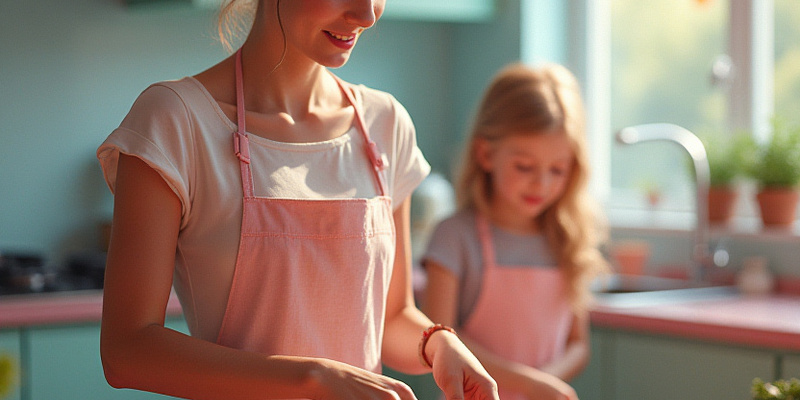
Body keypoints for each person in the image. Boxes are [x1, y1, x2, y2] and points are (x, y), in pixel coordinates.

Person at [96, 1, 499, 399]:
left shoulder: (385, 123)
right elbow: (126, 351)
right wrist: (311, 378)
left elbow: (391, 319)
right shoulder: (175, 120)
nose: (367, 15)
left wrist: (438, 343)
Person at [421, 63, 609, 400]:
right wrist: (530, 383)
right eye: (525, 166)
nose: (542, 183)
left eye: (558, 169)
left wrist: (545, 382)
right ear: (485, 154)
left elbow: (578, 344)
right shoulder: (454, 237)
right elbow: (441, 337)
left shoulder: (568, 239)